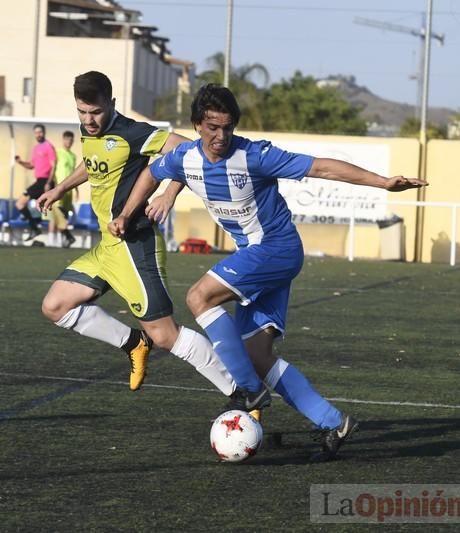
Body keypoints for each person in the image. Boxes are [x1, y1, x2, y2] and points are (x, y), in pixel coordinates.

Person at [109, 83, 428, 460]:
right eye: (212, 127)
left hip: (276, 250)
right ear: (197, 125)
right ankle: (333, 422)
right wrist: (128, 212)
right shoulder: (184, 158)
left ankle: (248, 390)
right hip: (258, 256)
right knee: (258, 355)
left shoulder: (255, 155)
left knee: (199, 296)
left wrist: (384, 183)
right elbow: (151, 172)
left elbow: (322, 166)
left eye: (227, 127)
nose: (221, 136)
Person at [37, 71, 237, 404]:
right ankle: (133, 343)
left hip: (134, 246)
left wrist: (169, 194)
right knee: (55, 306)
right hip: (107, 248)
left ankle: (240, 392)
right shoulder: (92, 131)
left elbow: (189, 151)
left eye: (96, 112)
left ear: (111, 104)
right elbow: (93, 161)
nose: (88, 120)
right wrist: (60, 188)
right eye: (82, 113)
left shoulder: (133, 132)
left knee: (166, 335)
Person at [15, 124, 56, 240]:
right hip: (39, 181)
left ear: (44, 132)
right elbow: (31, 165)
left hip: (44, 182)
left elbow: (53, 166)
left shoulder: (48, 146)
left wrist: (49, 182)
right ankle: (35, 228)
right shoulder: (36, 148)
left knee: (21, 203)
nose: (38, 134)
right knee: (23, 204)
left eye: (40, 132)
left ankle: (36, 229)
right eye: (36, 132)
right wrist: (21, 162)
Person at [49, 130, 77, 247]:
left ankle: (62, 240)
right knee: (55, 213)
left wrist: (76, 188)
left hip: (69, 190)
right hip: (59, 188)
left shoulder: (73, 156)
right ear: (63, 140)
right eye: (66, 140)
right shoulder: (58, 153)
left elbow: (74, 173)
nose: (68, 142)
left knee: (63, 214)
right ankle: (51, 240)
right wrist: (51, 183)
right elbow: (53, 168)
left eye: (70, 140)